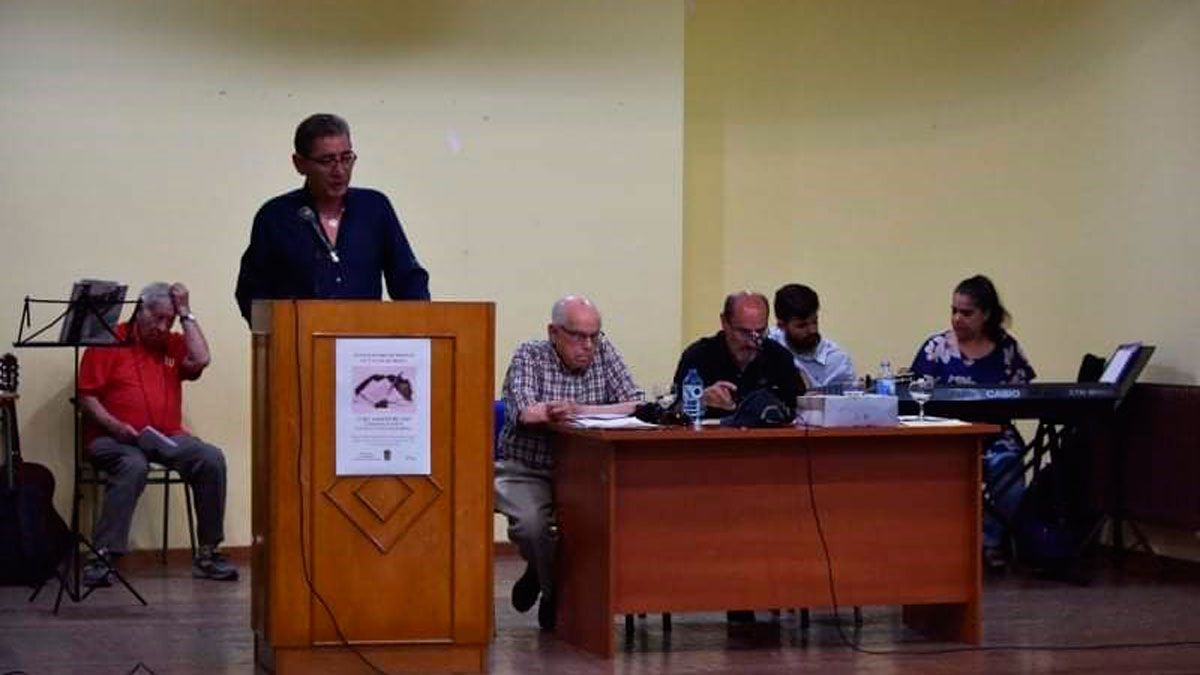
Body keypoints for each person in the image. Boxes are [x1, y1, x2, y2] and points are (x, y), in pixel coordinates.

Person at [494, 295, 643, 631]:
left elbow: (635, 403)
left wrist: (581, 410)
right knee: (531, 526)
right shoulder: (529, 355)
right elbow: (524, 410)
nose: (587, 345)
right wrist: (550, 410)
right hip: (527, 468)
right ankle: (555, 594)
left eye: (594, 335)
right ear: (553, 332)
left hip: (586, 473)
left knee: (612, 522)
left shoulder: (604, 351)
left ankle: (541, 572)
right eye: (577, 336)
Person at [78, 282, 237, 585]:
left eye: (170, 320)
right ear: (141, 310)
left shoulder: (173, 345)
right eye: (159, 318)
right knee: (133, 464)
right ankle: (102, 556)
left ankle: (207, 553)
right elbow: (87, 396)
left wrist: (187, 313)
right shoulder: (108, 340)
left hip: (166, 438)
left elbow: (201, 359)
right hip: (113, 439)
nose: (164, 327)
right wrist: (114, 425)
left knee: (211, 458)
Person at [235, 113, 430, 323]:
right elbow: (252, 293)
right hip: (299, 347)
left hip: (365, 348)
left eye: (346, 158)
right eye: (327, 161)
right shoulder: (275, 217)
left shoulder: (374, 208)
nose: (339, 171)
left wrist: (418, 333)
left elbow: (408, 280)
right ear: (299, 164)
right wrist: (279, 335)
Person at [910, 274, 1036, 570]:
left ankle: (990, 541)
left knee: (1009, 472)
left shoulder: (1007, 349)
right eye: (953, 310)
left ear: (987, 314)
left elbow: (1024, 394)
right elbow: (915, 394)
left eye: (966, 313)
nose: (957, 319)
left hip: (995, 435)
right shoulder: (937, 347)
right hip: (945, 436)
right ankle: (943, 542)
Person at [672, 291, 804, 418]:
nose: (753, 342)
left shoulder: (779, 357)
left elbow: (801, 410)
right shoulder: (698, 356)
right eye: (744, 332)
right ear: (724, 322)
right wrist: (699, 401)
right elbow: (670, 412)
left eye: (760, 332)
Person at [767, 283, 856, 390]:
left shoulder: (837, 361)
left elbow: (846, 405)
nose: (812, 330)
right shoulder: (768, 345)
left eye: (814, 322)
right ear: (781, 326)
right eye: (802, 326)